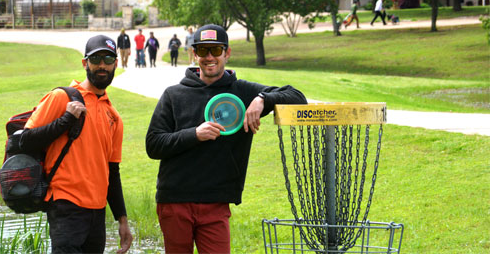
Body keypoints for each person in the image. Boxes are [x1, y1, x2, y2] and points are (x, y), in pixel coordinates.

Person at [145, 24, 307, 254]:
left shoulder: (242, 92)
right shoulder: (173, 94)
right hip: (175, 199)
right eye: (202, 51)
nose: (209, 57)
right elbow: (153, 144)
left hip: (216, 201)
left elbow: (297, 97)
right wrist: (194, 134)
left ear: (227, 53)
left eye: (216, 50)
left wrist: (263, 100)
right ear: (194, 54)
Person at [19, 35, 133, 254]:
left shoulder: (113, 116)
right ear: (84, 63)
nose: (102, 65)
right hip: (65, 206)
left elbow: (112, 171)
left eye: (108, 60)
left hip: (97, 213)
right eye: (96, 59)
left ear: (116, 64)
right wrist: (65, 120)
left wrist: (122, 220)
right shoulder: (62, 97)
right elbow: (23, 141)